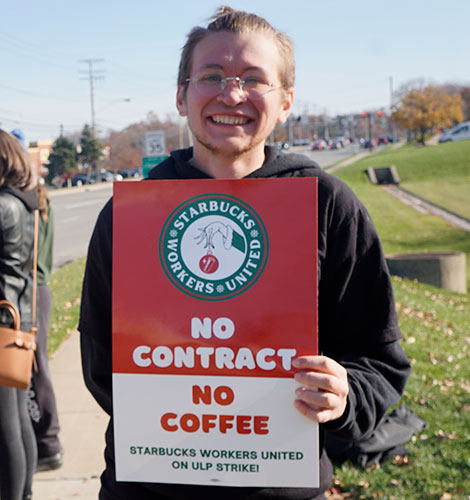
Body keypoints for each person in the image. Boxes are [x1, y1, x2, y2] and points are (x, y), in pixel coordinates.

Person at [79, 7, 411, 500]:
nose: (230, 94)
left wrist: (344, 397)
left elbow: (378, 358)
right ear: (181, 96)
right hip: (147, 487)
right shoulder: (131, 215)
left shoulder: (326, 204)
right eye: (210, 76)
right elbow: (101, 364)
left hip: (283, 487)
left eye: (254, 79)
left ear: (285, 103)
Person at [0, 129, 38, 500]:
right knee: (18, 417)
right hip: (18, 319)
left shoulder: (2, 204)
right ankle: (24, 492)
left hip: (1, 321)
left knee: (6, 425)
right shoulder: (25, 200)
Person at [29, 183, 63, 471]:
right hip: (39, 289)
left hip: (31, 291)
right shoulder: (39, 199)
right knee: (33, 367)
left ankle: (48, 443)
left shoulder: (26, 203)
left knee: (34, 368)